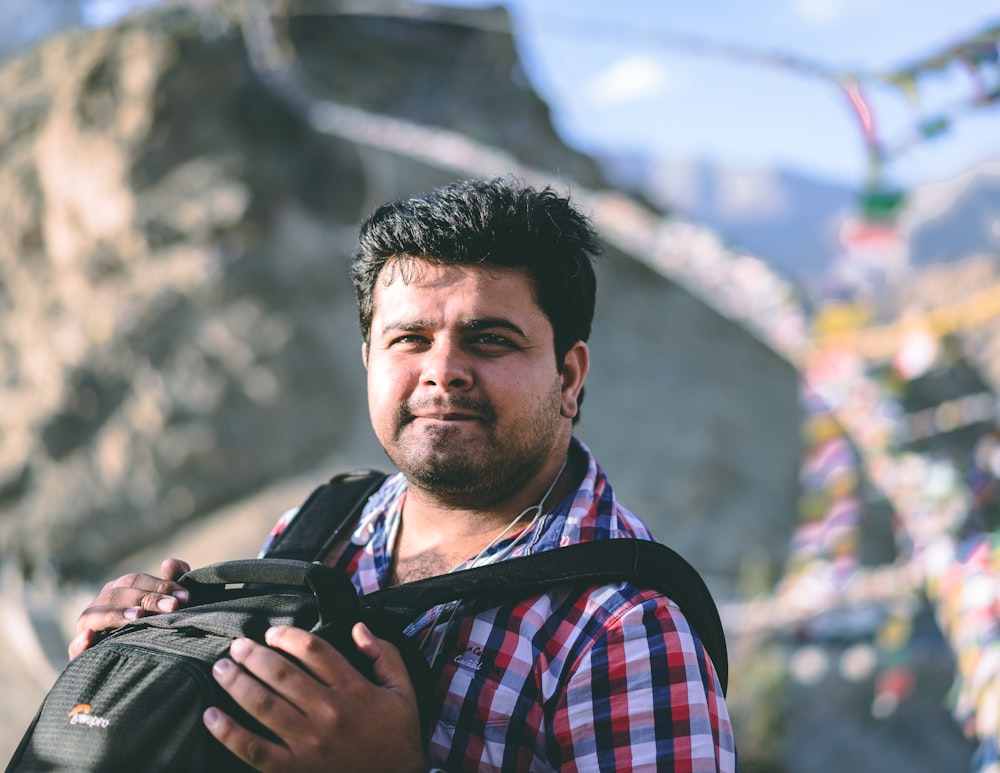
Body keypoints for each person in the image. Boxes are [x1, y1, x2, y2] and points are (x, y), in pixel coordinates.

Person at [70, 177, 738, 772]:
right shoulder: (319, 527)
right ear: (369, 359)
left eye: (490, 339)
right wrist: (130, 663)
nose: (441, 369)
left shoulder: (625, 630)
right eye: (409, 339)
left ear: (568, 376)